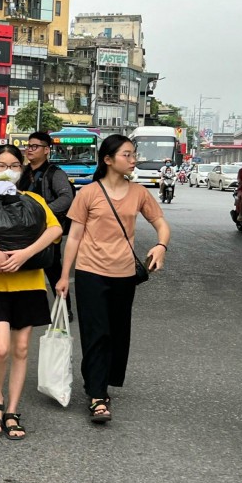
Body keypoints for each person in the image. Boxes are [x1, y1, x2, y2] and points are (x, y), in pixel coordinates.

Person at [55, 134, 170, 424]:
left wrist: (160, 245)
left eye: (134, 155)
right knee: (97, 333)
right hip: (90, 272)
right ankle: (97, 395)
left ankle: (101, 381)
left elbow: (161, 224)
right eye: (127, 155)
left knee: (117, 333)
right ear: (108, 160)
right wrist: (64, 276)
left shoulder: (140, 193)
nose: (133, 160)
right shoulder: (89, 194)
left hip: (124, 275)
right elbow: (74, 238)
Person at [0, 144, 62, 440]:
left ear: (23, 170)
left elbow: (55, 229)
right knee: (2, 348)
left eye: (14, 165)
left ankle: (12, 409)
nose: (7, 170)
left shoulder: (32, 199)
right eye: (0, 165)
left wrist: (24, 254)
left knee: (20, 350)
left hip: (29, 283)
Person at [18, 131, 76, 321]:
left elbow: (67, 198)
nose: (30, 149)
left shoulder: (55, 173)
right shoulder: (24, 172)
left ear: (46, 150)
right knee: (24, 268)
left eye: (35, 146)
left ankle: (64, 309)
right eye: (28, 146)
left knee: (53, 271)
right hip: (25, 230)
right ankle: (27, 309)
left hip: (48, 233)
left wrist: (42, 211)